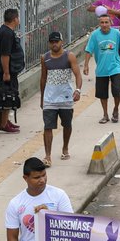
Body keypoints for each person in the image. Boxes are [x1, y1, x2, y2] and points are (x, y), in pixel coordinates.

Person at [39, 31, 81, 165]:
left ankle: (65, 148)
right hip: (50, 99)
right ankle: (47, 156)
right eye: (52, 42)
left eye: (57, 41)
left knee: (67, 124)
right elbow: (43, 78)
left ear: (62, 42)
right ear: (49, 43)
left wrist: (78, 90)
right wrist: (42, 98)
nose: (54, 44)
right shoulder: (45, 58)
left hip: (66, 97)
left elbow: (78, 75)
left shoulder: (69, 56)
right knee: (47, 127)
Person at [83, 13, 120, 125]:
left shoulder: (116, 33)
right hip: (101, 69)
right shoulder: (95, 35)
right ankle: (105, 114)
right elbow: (89, 50)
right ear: (99, 23)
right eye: (102, 22)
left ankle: (116, 109)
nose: (104, 25)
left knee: (117, 90)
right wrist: (86, 65)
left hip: (115, 67)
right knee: (102, 94)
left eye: (106, 22)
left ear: (110, 23)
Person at [0, 8, 24, 134]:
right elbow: (5, 55)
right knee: (7, 95)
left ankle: (4, 121)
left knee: (5, 94)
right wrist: (6, 72)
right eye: (18, 18)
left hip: (7, 70)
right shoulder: (7, 33)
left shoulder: (5, 30)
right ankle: (4, 125)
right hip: (7, 70)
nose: (19, 20)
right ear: (15, 19)